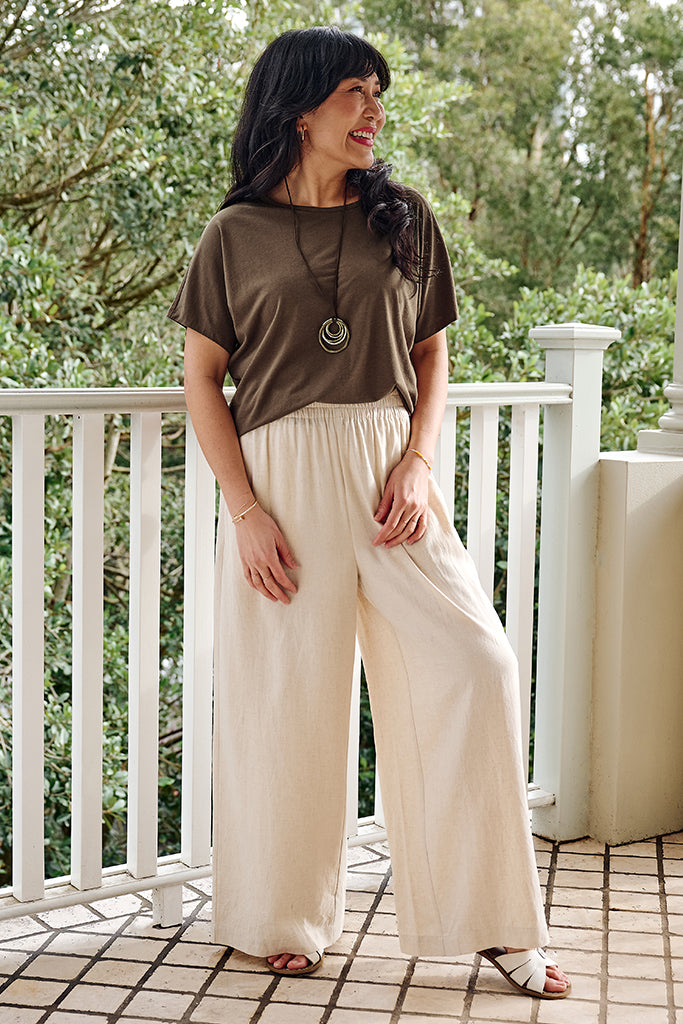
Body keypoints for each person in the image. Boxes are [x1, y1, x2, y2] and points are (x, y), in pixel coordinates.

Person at [168, 26, 570, 1001]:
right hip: (277, 476)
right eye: (356, 91)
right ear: (299, 109)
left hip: (390, 472)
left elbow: (431, 354)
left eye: (377, 93)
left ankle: (494, 924)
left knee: (475, 662)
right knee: (285, 698)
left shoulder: (404, 219)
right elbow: (202, 380)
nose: (374, 110)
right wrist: (244, 509)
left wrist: (419, 462)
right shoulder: (234, 235)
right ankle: (281, 917)